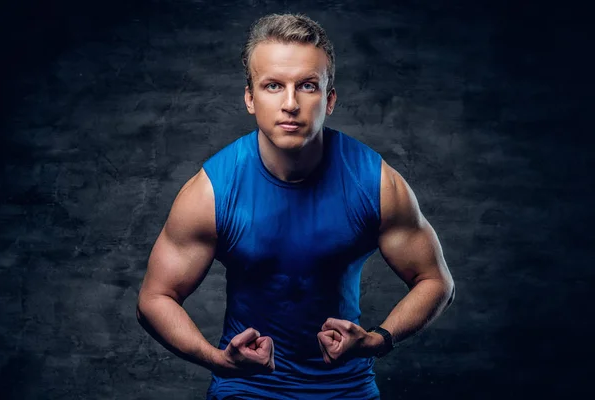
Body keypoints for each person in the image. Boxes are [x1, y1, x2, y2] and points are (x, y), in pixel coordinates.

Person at [136, 13, 455, 400]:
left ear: (330, 98)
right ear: (250, 99)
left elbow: (436, 281)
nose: (290, 104)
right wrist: (219, 361)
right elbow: (154, 299)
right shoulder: (211, 192)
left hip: (347, 388)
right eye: (273, 86)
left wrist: (376, 341)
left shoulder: (376, 183)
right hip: (247, 389)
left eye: (307, 86)